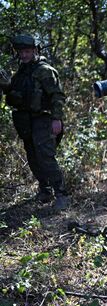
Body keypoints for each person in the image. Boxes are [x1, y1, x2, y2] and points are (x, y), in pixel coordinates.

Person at [2, 34, 69, 210]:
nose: (23, 55)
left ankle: (61, 194)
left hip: (43, 119)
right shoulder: (21, 72)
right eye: (21, 52)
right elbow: (15, 93)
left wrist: (57, 119)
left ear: (34, 51)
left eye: (27, 51)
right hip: (25, 121)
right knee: (32, 157)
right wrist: (6, 86)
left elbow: (57, 96)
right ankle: (45, 190)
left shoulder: (44, 70)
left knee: (46, 156)